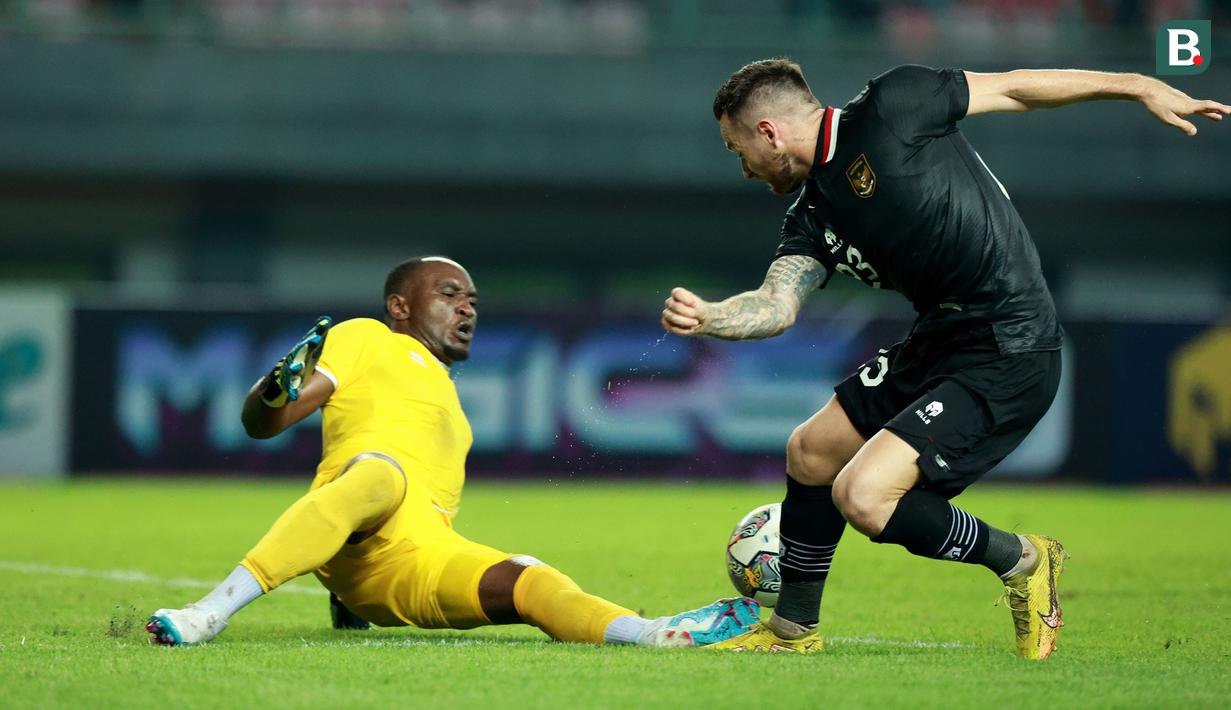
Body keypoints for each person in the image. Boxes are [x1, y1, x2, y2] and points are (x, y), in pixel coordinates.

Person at [662, 60, 1229, 658]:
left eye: (738, 149)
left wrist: (1138, 85)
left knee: (863, 496)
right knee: (811, 451)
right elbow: (777, 304)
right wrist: (712, 316)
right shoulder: (813, 214)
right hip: (940, 336)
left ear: (769, 133)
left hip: (1010, 342)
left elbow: (1013, 88)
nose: (743, 168)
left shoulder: (892, 105)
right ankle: (794, 632)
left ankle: (1025, 559)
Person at [148, 256, 759, 648]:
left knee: (530, 577)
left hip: (410, 568)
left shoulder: (449, 402)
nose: (467, 307)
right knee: (382, 476)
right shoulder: (366, 338)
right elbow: (266, 421)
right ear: (400, 307)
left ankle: (650, 633)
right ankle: (209, 612)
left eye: (471, 299)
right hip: (360, 513)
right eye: (449, 294)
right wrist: (269, 389)